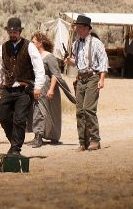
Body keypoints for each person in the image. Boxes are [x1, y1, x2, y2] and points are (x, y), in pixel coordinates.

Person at [0, 17, 45, 156]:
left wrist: (38, 86)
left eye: (15, 32)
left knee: (20, 119)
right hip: (7, 89)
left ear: (20, 32)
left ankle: (16, 149)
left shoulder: (29, 46)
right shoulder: (2, 48)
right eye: (10, 32)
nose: (12, 34)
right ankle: (14, 144)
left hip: (24, 89)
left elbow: (39, 67)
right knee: (3, 117)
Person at [65, 15, 108, 151]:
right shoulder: (76, 43)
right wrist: (68, 60)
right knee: (80, 111)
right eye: (76, 27)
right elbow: (77, 62)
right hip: (80, 79)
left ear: (86, 28)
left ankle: (95, 140)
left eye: (78, 27)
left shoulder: (96, 43)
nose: (77, 29)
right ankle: (83, 142)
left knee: (89, 109)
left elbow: (103, 62)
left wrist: (102, 79)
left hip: (92, 77)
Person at [29, 32, 75, 147]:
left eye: (33, 42)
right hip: (36, 87)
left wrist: (51, 89)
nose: (31, 44)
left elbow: (55, 74)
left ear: (40, 43)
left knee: (41, 111)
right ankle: (37, 135)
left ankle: (39, 137)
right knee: (36, 111)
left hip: (46, 87)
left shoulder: (49, 57)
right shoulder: (34, 56)